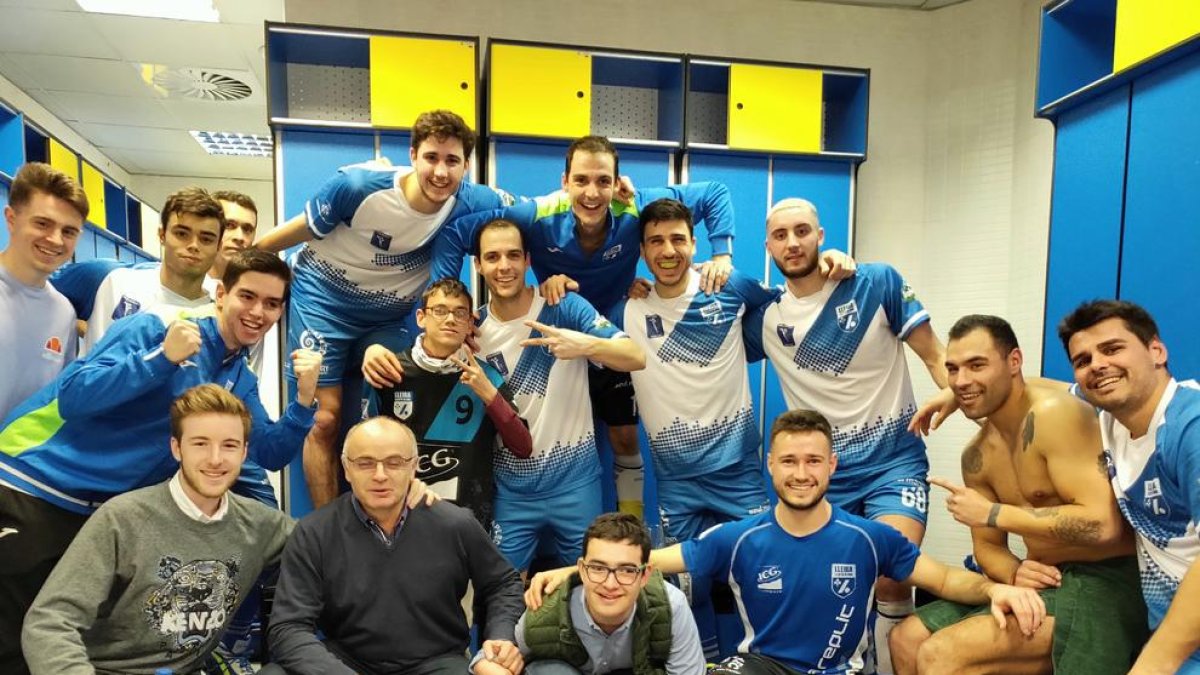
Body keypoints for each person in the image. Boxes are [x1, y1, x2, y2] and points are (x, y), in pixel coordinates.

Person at [527, 409, 1046, 675]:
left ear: (831, 466)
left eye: (813, 461)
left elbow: (945, 579)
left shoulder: (869, 538)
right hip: (762, 667)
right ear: (770, 466)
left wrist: (994, 589)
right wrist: (570, 571)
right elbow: (645, 561)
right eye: (790, 461)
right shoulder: (738, 538)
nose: (801, 473)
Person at [0, 249, 319, 674]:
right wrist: (161, 359)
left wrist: (304, 402)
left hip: (97, 510)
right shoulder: (159, 326)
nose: (258, 312)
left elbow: (268, 452)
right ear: (221, 294)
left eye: (272, 303)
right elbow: (73, 395)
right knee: (16, 640)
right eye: (248, 296)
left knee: (67, 642)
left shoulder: (237, 375)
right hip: (34, 483)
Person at [430, 135, 740, 516]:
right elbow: (455, 234)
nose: (592, 193)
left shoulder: (633, 205)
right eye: (581, 180)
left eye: (603, 181)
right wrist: (454, 309)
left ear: (617, 182)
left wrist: (723, 254)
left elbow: (714, 194)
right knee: (542, 428)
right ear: (565, 182)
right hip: (557, 331)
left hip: (608, 334)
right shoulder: (538, 214)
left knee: (624, 437)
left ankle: (631, 526)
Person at [256, 110, 514, 509]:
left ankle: (397, 524)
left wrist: (555, 278)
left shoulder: (473, 201)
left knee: (399, 418)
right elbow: (302, 227)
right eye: (431, 157)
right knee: (325, 420)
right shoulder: (358, 186)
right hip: (323, 302)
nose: (440, 172)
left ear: (466, 165)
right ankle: (331, 530)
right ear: (412, 155)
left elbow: (539, 213)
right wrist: (246, 258)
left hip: (390, 316)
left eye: (452, 160)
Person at [744, 198, 948, 672]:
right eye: (781, 236)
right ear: (768, 247)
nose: (793, 243)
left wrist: (962, 400)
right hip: (823, 474)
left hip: (893, 464)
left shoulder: (876, 283)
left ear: (821, 236)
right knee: (828, 585)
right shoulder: (766, 319)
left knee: (892, 574)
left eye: (802, 231)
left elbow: (936, 355)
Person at [887, 314, 1146, 675]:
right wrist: (1014, 572)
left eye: (977, 365)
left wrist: (993, 513)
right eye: (953, 369)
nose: (961, 381)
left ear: (1014, 361)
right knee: (906, 638)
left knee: (942, 653)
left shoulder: (1054, 414)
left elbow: (1103, 525)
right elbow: (987, 548)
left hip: (1109, 581)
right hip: (1047, 580)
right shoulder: (977, 456)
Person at [20, 384, 293, 674]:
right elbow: (49, 623)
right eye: (200, 444)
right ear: (176, 448)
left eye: (229, 445)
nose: (215, 459)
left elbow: (319, 542)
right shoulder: (121, 519)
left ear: (244, 452)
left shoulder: (260, 524)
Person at [611, 198, 779, 656]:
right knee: (687, 590)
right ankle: (699, 664)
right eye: (656, 241)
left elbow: (792, 307)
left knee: (760, 577)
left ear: (694, 243)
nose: (668, 251)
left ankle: (764, 663)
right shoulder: (628, 306)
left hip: (737, 472)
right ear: (642, 251)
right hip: (676, 481)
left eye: (678, 239)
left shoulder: (728, 286)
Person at [265, 416, 525, 675]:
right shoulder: (315, 532)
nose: (380, 475)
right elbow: (288, 627)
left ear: (413, 467)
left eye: (394, 463)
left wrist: (500, 636)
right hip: (345, 663)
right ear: (346, 469)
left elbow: (502, 583)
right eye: (365, 463)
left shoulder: (454, 524)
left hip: (437, 663)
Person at [1058, 300, 1200, 673]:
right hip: (1181, 647)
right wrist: (955, 394)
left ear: (1157, 352)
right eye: (1082, 360)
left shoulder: (1191, 427)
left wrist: (1153, 665)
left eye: (1112, 348)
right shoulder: (1110, 416)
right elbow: (1033, 387)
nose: (1097, 365)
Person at [363, 278, 533, 528]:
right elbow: (365, 450)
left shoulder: (486, 377)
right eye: (440, 310)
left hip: (468, 523)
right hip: (401, 520)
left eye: (460, 313)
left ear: (469, 324)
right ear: (421, 318)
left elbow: (523, 447)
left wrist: (489, 396)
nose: (451, 319)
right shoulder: (389, 371)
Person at [509, 512, 705, 674]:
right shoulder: (543, 614)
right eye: (598, 568)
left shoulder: (671, 606)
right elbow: (499, 661)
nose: (610, 584)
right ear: (582, 570)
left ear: (644, 576)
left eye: (626, 570)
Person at [51, 186, 223, 355]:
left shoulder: (222, 316)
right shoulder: (109, 277)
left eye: (206, 239)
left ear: (218, 246)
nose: (193, 245)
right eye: (182, 234)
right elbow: (40, 292)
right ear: (162, 235)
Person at [0, 162, 87, 423]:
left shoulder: (64, 313)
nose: (55, 240)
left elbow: (53, 403)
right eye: (42, 224)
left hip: (21, 451)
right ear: (11, 219)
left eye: (68, 231)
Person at [205, 189, 259, 294]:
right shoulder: (181, 284)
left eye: (247, 229)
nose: (239, 237)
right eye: (229, 225)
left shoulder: (259, 292)